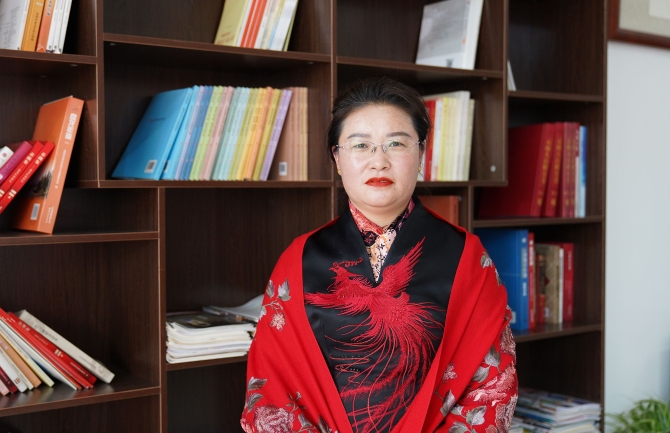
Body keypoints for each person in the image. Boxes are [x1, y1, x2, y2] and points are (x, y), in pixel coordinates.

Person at [241, 77, 517, 433]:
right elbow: (272, 380)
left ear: (421, 154)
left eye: (396, 143)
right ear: (337, 158)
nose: (379, 161)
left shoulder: (467, 257)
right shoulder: (299, 260)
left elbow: (492, 383)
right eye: (361, 145)